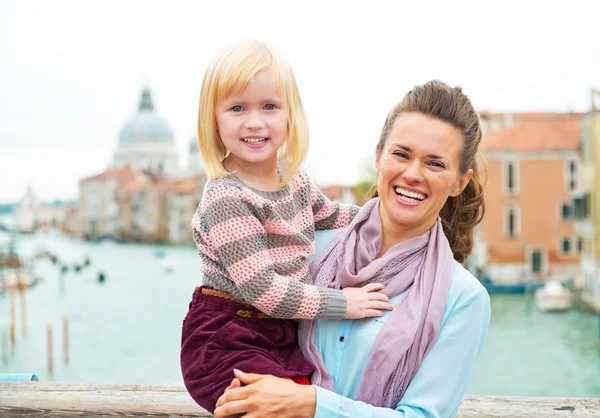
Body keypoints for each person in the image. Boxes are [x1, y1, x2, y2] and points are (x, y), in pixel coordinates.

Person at [213, 80, 491, 418]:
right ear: (379, 157)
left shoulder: (463, 298)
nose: (413, 174)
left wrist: (311, 404)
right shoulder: (309, 246)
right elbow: (238, 328)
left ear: (459, 182)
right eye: (401, 154)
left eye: (435, 163)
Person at [180, 40, 392, 414]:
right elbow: (265, 291)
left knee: (310, 400)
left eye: (269, 106)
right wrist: (344, 304)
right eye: (237, 108)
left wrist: (383, 214)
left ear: (290, 115)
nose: (255, 121)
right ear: (213, 119)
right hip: (227, 338)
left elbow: (331, 217)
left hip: (282, 334)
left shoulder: (293, 180)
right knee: (276, 408)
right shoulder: (227, 199)